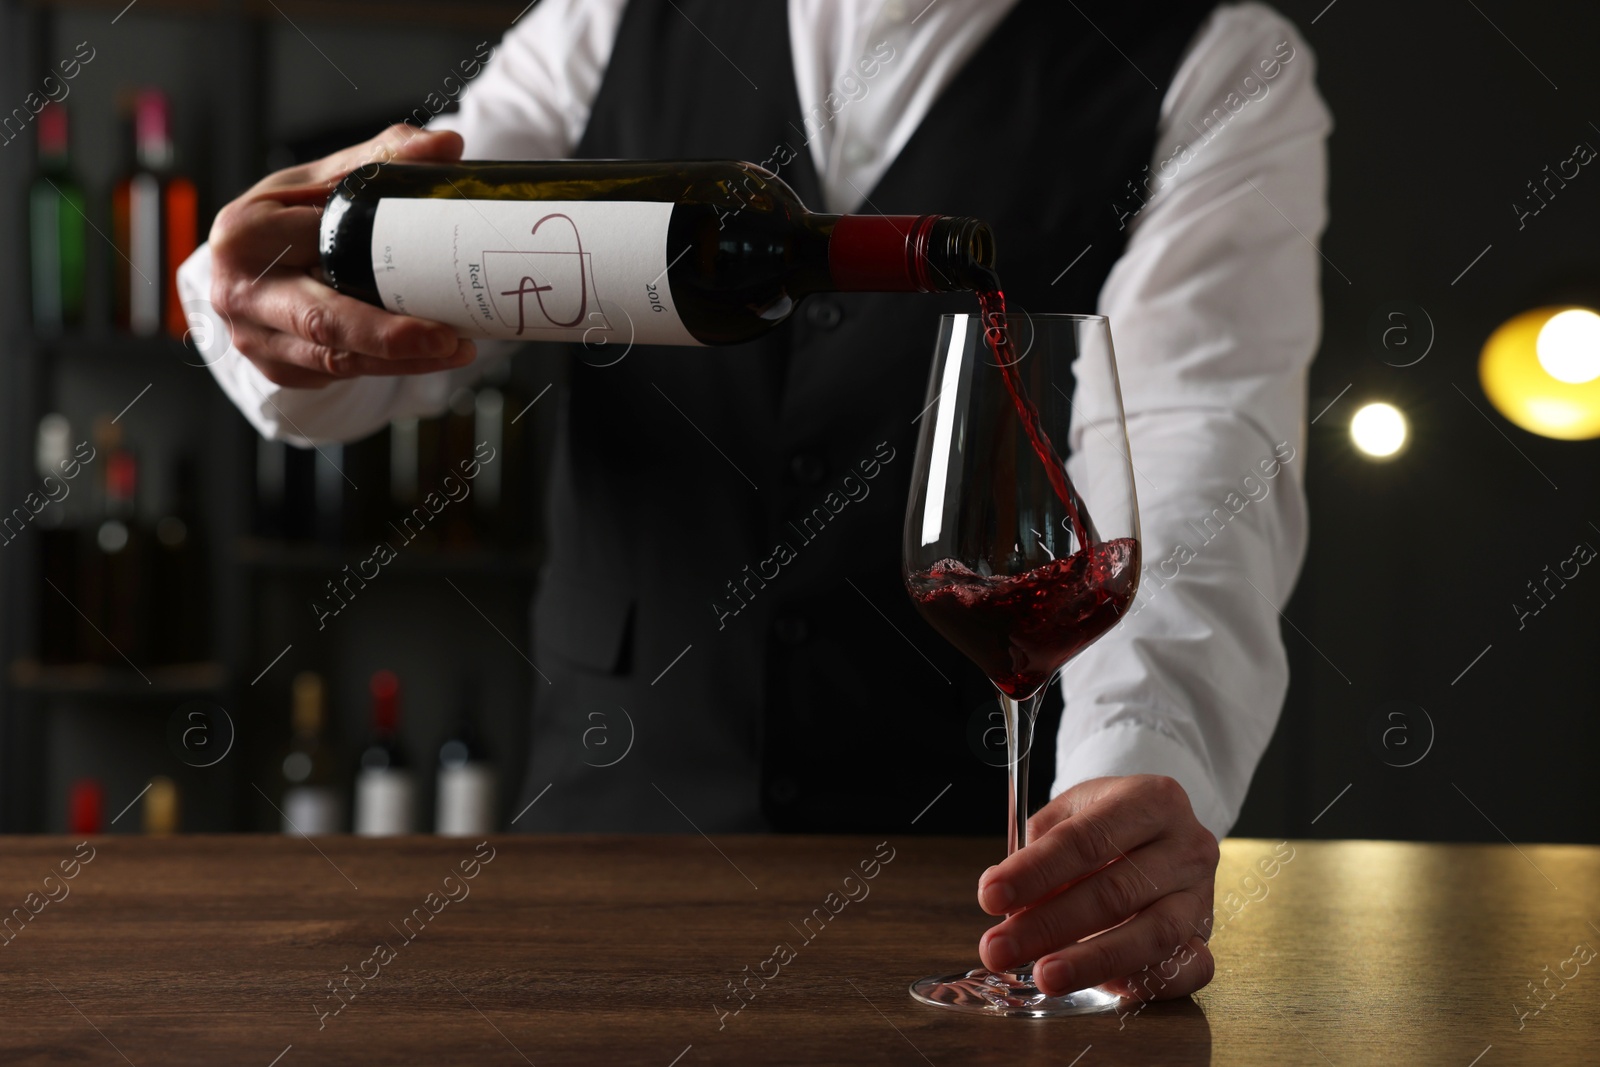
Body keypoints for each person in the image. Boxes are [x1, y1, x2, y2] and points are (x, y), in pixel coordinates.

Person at [179, 0, 1329, 1004]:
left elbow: (1196, 469)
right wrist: (283, 308)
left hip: (960, 907)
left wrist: (1120, 794)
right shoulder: (611, 17)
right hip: (600, 866)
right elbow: (424, 308)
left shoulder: (1216, 64)